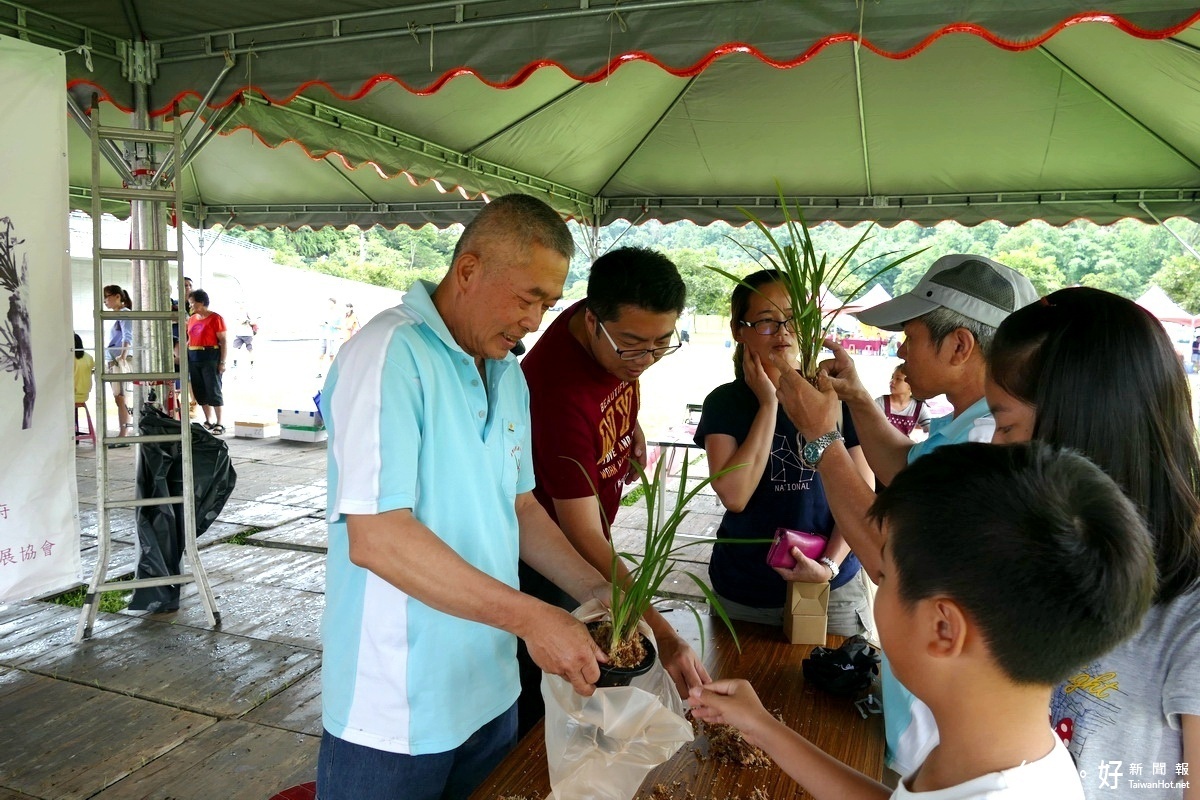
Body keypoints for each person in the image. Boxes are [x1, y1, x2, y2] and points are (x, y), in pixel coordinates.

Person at [316, 194, 615, 800]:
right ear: (469, 270)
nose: (535, 320)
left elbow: (521, 507)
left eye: (548, 305)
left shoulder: (507, 374)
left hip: (490, 687)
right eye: (527, 298)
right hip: (397, 707)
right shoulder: (389, 353)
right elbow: (377, 538)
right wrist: (534, 617)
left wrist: (595, 590)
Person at [689, 441, 1156, 800]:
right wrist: (762, 727)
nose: (879, 583)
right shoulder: (1006, 751)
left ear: (943, 628)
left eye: (885, 573)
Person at [769, 253, 1039, 776]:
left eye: (911, 336)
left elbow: (892, 560)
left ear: (960, 345)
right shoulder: (968, 422)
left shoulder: (989, 441)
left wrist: (820, 439)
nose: (900, 348)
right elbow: (903, 465)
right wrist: (857, 400)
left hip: (940, 739)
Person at [986, 287, 1200, 800]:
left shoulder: (1186, 623)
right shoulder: (1046, 574)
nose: (996, 448)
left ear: (1079, 431)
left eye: (1005, 424)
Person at [518, 245, 702, 735]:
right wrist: (662, 634)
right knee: (554, 687)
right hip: (547, 559)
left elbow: (616, 388)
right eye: (633, 344)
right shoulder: (555, 393)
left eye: (662, 342)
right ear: (592, 319)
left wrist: (628, 428)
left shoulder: (606, 333)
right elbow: (582, 537)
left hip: (584, 530)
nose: (646, 358)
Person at [695, 269, 875, 636]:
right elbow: (735, 495)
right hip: (747, 590)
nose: (782, 332)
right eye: (766, 321)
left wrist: (827, 566)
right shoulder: (726, 402)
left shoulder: (833, 396)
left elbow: (862, 492)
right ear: (738, 330)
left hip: (832, 585)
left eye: (793, 320)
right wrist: (768, 404)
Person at [186, 289, 227, 434]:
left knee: (213, 389)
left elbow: (223, 341)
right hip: (193, 356)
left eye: (193, 303)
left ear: (202, 302)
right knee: (199, 390)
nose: (191, 307)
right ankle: (208, 420)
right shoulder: (191, 319)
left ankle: (220, 422)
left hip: (210, 355)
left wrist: (222, 362)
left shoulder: (216, 318)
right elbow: (190, 339)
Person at [102, 284, 134, 438]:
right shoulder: (112, 316)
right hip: (112, 358)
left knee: (122, 397)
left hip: (119, 360)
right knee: (118, 397)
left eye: (107, 296)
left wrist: (122, 356)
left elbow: (128, 336)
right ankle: (124, 431)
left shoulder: (124, 313)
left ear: (117, 296)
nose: (105, 301)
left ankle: (124, 433)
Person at [875, 366, 930, 438]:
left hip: (904, 447)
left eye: (898, 379)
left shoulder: (919, 407)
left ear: (911, 385)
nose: (892, 381)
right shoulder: (880, 403)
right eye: (892, 377)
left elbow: (931, 430)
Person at [73, 333, 95, 439]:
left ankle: (70, 432)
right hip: (85, 395)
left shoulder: (70, 358)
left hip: (72, 395)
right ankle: (74, 429)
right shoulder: (88, 357)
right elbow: (92, 370)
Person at [317, 297, 340, 377]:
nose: (329, 304)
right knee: (321, 354)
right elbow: (319, 323)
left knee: (331, 355)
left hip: (332, 337)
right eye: (328, 303)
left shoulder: (338, 314)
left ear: (334, 304)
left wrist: (334, 325)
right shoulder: (324, 313)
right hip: (324, 336)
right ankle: (319, 372)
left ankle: (331, 374)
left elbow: (341, 326)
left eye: (330, 303)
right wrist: (322, 324)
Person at [230, 304, 257, 369]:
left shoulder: (248, 313)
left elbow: (254, 322)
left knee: (250, 350)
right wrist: (244, 321)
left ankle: (252, 364)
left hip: (247, 335)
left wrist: (248, 321)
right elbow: (238, 322)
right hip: (239, 334)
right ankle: (235, 363)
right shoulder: (237, 314)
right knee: (235, 349)